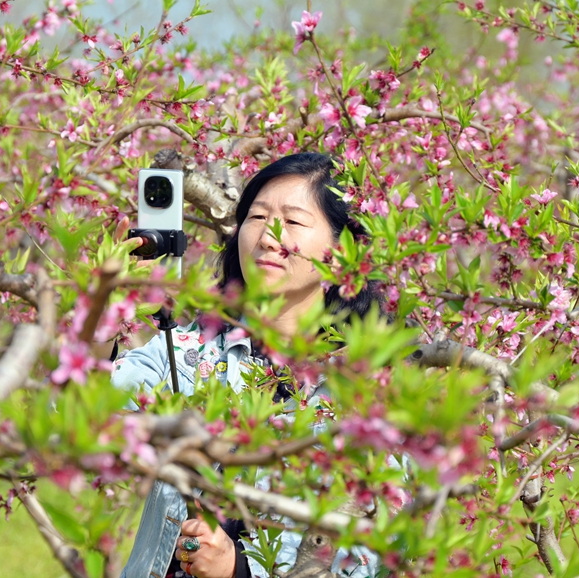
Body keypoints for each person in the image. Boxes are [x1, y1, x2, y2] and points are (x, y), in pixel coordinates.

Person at [112, 153, 383, 578]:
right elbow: (79, 412)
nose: (268, 237)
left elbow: (369, 556)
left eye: (292, 221)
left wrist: (237, 569)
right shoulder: (194, 349)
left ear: (341, 252)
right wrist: (105, 309)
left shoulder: (365, 388)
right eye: (257, 217)